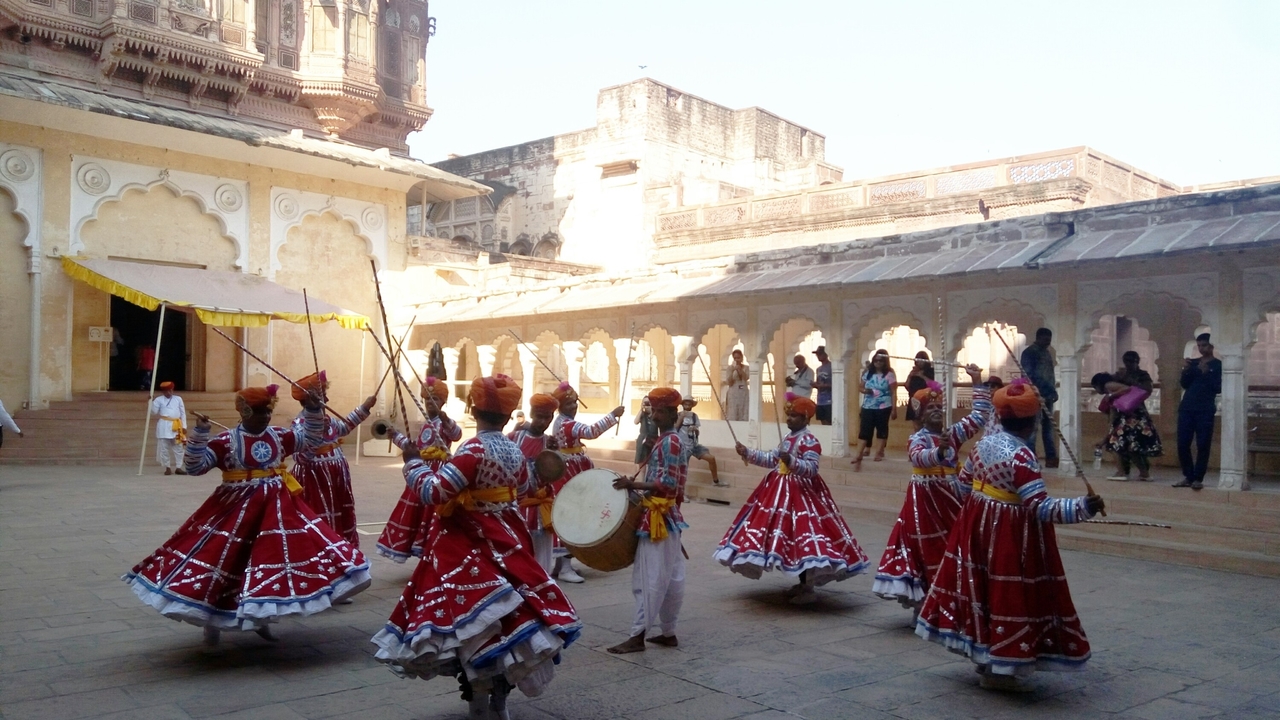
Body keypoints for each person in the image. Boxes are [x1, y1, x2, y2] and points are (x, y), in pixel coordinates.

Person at [372, 375, 581, 719]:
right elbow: (527, 483)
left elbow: (433, 492)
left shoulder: (472, 450)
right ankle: (497, 701)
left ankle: (480, 705)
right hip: (508, 538)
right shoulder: (513, 449)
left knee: (471, 626)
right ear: (508, 413)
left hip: (467, 544)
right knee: (510, 622)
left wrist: (412, 462)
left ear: (472, 407)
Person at [123, 385, 371, 645]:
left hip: (276, 513)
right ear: (243, 412)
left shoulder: (278, 436)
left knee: (267, 564)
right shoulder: (226, 441)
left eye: (267, 411)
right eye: (259, 412)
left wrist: (312, 408)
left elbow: (310, 439)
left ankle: (260, 620)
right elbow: (195, 467)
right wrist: (200, 433)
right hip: (234, 511)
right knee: (225, 563)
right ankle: (212, 625)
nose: (265, 417)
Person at [915, 379, 1105, 691]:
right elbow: (1041, 508)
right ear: (1032, 421)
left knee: (982, 591)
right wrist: (1083, 507)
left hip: (975, 527)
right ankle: (1001, 664)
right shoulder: (1022, 457)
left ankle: (984, 656)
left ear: (1001, 417)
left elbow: (963, 485)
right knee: (1006, 594)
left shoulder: (983, 445)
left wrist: (982, 506)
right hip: (1009, 534)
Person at [717, 393, 868, 605]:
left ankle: (808, 587)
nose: (789, 419)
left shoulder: (810, 441)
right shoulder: (787, 439)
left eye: (794, 416)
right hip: (778, 493)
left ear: (805, 419)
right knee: (788, 538)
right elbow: (772, 459)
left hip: (802, 496)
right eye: (788, 415)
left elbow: (812, 469)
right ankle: (802, 583)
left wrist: (792, 461)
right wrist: (748, 453)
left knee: (804, 536)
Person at [873, 366, 989, 613]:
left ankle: (953, 600)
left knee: (955, 545)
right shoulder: (918, 438)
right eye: (930, 409)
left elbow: (979, 416)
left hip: (952, 496)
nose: (936, 412)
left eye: (939, 408)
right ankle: (924, 605)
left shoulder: (954, 433)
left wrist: (977, 381)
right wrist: (939, 452)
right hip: (924, 500)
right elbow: (918, 458)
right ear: (921, 415)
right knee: (925, 549)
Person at [607, 387, 688, 654]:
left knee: (649, 579)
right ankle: (668, 632)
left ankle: (637, 636)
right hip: (668, 518)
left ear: (668, 412)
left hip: (659, 519)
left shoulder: (670, 441)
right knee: (672, 577)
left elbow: (669, 483)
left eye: (656, 411)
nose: (652, 415)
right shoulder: (668, 439)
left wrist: (633, 485)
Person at [377, 377, 461, 562]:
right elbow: (415, 448)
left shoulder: (443, 422)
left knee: (433, 510)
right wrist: (395, 436)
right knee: (416, 509)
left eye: (436, 399)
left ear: (443, 402)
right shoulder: (425, 424)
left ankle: (433, 548)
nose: (431, 403)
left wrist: (447, 420)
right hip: (422, 469)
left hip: (438, 472)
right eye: (427, 398)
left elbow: (456, 435)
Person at [550, 382, 625, 583]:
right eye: (569, 404)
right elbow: (591, 432)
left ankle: (561, 565)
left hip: (572, 466)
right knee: (575, 515)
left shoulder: (561, 421)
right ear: (560, 407)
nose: (573, 407)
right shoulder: (567, 424)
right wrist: (613, 415)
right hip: (570, 470)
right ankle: (565, 567)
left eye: (575, 402)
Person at [290, 372, 376, 548]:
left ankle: (343, 550)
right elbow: (301, 456)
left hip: (335, 478)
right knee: (321, 515)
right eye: (322, 397)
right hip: (316, 480)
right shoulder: (300, 423)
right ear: (306, 401)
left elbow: (344, 427)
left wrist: (364, 408)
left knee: (339, 513)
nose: (327, 400)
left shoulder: (327, 419)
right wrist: (315, 424)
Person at [511, 393, 560, 571]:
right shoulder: (514, 438)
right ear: (531, 414)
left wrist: (555, 454)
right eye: (539, 416)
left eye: (547, 418)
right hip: (518, 507)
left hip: (541, 508)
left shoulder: (550, 443)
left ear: (551, 418)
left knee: (542, 561)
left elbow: (555, 474)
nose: (542, 422)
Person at [1097, 352, 1163, 482]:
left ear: (1137, 361)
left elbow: (1146, 390)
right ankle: (1124, 471)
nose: (1128, 363)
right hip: (1122, 413)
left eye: (1131, 361)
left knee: (1135, 445)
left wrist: (1128, 382)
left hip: (1135, 413)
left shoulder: (1142, 375)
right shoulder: (1120, 374)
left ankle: (1142, 472)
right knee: (1121, 444)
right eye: (1126, 361)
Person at [1176, 333, 1221, 490]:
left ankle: (1198, 478)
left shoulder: (1218, 365)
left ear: (1211, 346)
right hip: (1187, 408)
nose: (1202, 348)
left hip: (1205, 410)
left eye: (1205, 345)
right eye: (1199, 345)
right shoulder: (1194, 363)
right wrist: (1186, 370)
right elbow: (1185, 384)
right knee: (1182, 444)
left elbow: (1218, 387)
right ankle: (1188, 476)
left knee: (1203, 444)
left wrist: (1206, 372)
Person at [1019, 328, 1060, 468]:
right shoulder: (1029, 353)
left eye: (1049, 340)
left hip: (1047, 396)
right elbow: (1029, 375)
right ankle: (1031, 460)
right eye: (1046, 340)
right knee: (1033, 428)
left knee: (1048, 429)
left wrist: (1052, 391)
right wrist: (1046, 389)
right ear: (1038, 337)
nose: (1048, 343)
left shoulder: (1046, 353)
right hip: (1034, 395)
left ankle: (1051, 458)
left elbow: (1048, 374)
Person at [852, 349, 897, 470]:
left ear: (885, 361)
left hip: (884, 406)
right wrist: (866, 391)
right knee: (865, 430)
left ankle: (878, 453)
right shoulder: (868, 373)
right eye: (876, 360)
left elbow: (893, 392)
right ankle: (859, 454)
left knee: (881, 429)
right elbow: (860, 387)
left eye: (881, 361)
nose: (878, 363)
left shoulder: (889, 374)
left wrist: (894, 408)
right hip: (868, 405)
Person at [677, 397, 721, 485]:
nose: (687, 406)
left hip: (694, 445)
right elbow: (674, 429)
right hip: (683, 447)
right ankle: (681, 493)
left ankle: (716, 481)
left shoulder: (694, 416)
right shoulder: (677, 415)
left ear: (692, 405)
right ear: (682, 405)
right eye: (686, 404)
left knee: (711, 458)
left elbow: (697, 432)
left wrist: (695, 430)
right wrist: (681, 418)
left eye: (689, 404)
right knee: (683, 470)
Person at [150, 382, 187, 476]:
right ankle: (167, 467)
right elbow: (153, 412)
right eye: (167, 391)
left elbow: (183, 413)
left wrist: (184, 426)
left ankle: (178, 467)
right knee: (164, 448)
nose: (169, 392)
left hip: (176, 426)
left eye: (171, 390)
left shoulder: (178, 399)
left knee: (179, 448)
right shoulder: (158, 400)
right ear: (163, 391)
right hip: (164, 425)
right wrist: (150, 402)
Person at [903, 351, 936, 424]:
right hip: (914, 400)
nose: (919, 362)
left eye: (921, 360)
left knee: (926, 422)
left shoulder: (930, 371)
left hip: (925, 400)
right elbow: (907, 386)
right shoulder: (914, 372)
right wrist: (910, 376)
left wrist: (922, 376)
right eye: (917, 360)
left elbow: (934, 386)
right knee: (916, 424)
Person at [724, 349, 750, 422]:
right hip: (733, 392)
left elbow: (746, 377)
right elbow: (729, 382)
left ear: (742, 358)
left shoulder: (746, 368)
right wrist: (733, 371)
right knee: (733, 412)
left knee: (743, 411)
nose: (737, 360)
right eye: (735, 358)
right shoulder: (730, 368)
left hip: (743, 392)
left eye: (738, 358)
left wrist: (740, 370)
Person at [634, 396, 658, 464]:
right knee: (641, 462)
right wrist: (641, 409)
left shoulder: (655, 414)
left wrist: (652, 409)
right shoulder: (642, 414)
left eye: (648, 402)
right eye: (645, 402)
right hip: (643, 438)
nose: (647, 404)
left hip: (653, 439)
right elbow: (636, 422)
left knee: (653, 461)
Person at [813, 346, 833, 425]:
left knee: (829, 423)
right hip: (820, 401)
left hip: (830, 401)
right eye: (817, 354)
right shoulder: (818, 369)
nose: (818, 356)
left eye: (820, 354)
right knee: (823, 422)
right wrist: (815, 385)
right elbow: (818, 383)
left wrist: (824, 386)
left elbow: (835, 384)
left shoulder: (832, 367)